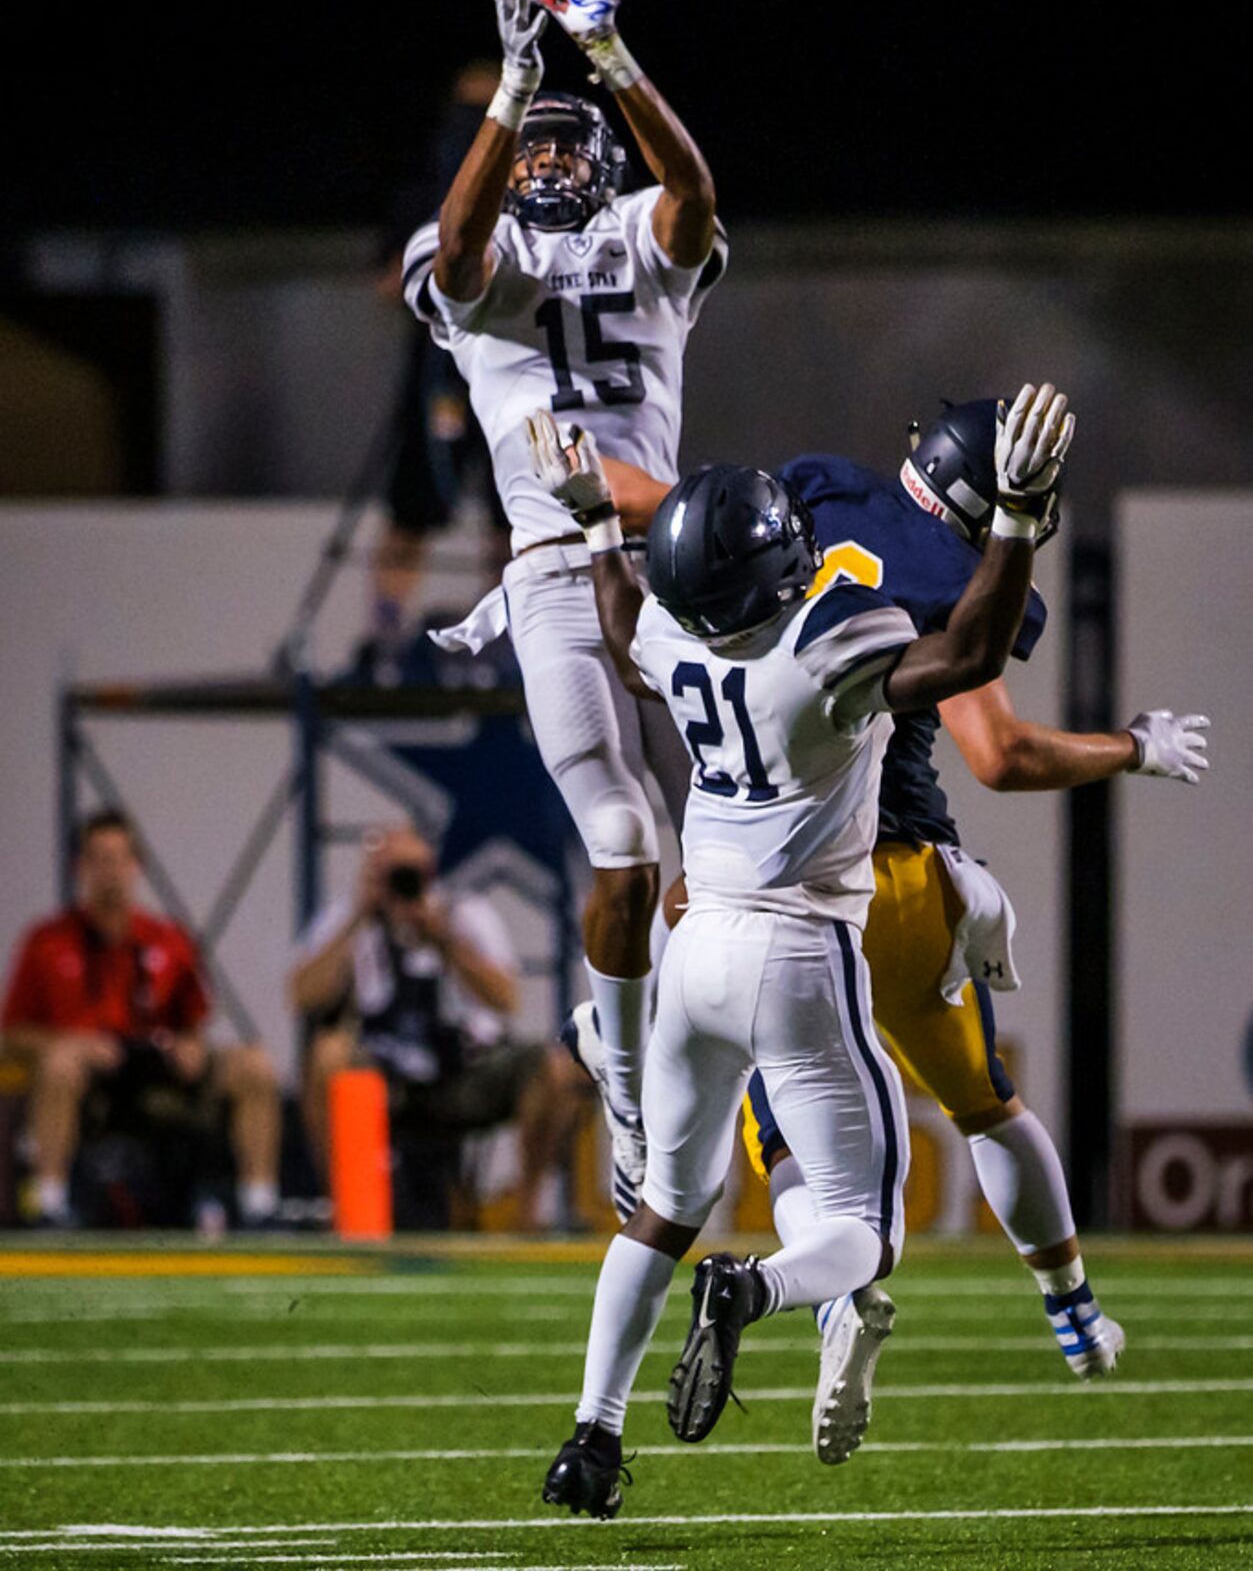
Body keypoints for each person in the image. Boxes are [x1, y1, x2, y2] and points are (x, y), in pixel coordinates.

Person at [589, 402, 1208, 1453]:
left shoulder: (816, 491)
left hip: (725, 895)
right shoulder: (938, 587)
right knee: (982, 1104)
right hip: (890, 882)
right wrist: (1131, 747)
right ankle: (1070, 1313)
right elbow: (997, 750)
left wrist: (572, 493)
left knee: (767, 1131)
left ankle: (810, 1302)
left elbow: (652, 526)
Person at [526, 379, 1075, 1518]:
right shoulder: (835, 643)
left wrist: (591, 523)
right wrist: (1014, 519)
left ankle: (590, 1435)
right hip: (796, 960)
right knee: (861, 1233)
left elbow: (622, 630)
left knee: (661, 1210)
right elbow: (969, 652)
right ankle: (756, 1289)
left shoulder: (674, 632)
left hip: (694, 958)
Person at [400, 0, 727, 1218]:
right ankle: (630, 1093)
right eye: (526, 144)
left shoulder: (644, 229)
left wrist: (610, 53)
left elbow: (694, 196)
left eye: (555, 142)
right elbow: (463, 249)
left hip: (674, 572)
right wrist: (517, 90)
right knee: (622, 837)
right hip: (549, 567)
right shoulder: (480, 262)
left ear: (596, 168)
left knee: (718, 860)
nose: (539, 159)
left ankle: (650, 1049)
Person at [288, 824, 585, 1231]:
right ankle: (345, 1207)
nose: (402, 886)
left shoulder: (464, 914)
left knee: (554, 1068)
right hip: (382, 1073)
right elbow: (302, 997)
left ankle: (527, 1216)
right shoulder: (350, 918)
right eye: (392, 874)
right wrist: (360, 916)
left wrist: (442, 938)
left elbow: (506, 999)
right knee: (328, 1054)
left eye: (410, 874)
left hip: (464, 1070)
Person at [0, 808, 281, 1229]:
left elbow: (193, 1025)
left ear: (136, 866)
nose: (110, 871)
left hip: (156, 1063)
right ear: (82, 867)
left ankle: (260, 1206)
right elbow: (12, 1036)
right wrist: (71, 1045)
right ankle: (49, 1205)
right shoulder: (48, 941)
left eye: (119, 859)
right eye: (99, 859)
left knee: (255, 1065)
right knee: (59, 1065)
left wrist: (191, 1047)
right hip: (90, 1075)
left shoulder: (168, 937)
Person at [365, 59, 512, 679]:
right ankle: (390, 638)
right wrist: (441, 242)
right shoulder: (424, 195)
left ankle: (510, 644)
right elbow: (386, 284)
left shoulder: (527, 190)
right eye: (464, 115)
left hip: (508, 375)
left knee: (514, 520)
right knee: (411, 511)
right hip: (437, 379)